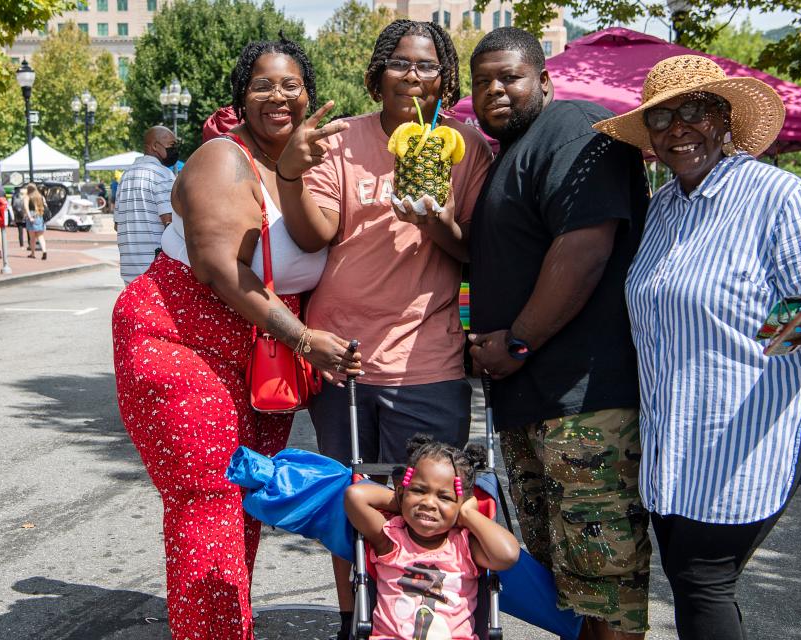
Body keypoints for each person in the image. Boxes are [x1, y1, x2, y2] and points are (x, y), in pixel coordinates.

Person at [112, 38, 361, 640]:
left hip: (256, 363)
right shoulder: (221, 160)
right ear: (240, 99)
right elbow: (221, 270)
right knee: (208, 501)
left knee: (244, 502)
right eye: (262, 85)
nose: (278, 96)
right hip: (175, 341)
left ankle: (224, 625)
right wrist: (305, 339)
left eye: (291, 84)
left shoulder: (303, 168)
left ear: (309, 94)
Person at [593, 55, 801, 640]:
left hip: (748, 424)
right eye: (661, 119)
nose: (678, 128)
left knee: (704, 578)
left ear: (724, 119)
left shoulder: (778, 196)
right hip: (673, 432)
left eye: (694, 112)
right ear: (649, 139)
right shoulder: (661, 210)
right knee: (690, 579)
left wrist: (748, 349)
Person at [271, 20, 492, 637]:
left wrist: (436, 223)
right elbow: (314, 234)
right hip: (342, 354)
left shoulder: (465, 147)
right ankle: (354, 619)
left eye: (426, 65)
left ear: (444, 77)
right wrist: (291, 173)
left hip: (430, 359)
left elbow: (475, 250)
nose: (413, 75)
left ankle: (425, 621)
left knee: (428, 506)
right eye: (400, 63)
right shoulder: (341, 141)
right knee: (353, 502)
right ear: (377, 74)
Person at [465, 28, 652, 640]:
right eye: (482, 80)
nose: (495, 89)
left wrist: (517, 341)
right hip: (531, 402)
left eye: (509, 77)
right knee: (564, 578)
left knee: (606, 583)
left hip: (585, 402)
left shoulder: (576, 129)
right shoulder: (508, 158)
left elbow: (585, 250)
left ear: (544, 80)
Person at [344, 435, 520, 640]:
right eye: (419, 490)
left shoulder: (464, 546)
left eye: (444, 497)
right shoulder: (391, 539)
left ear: (462, 504)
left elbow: (508, 554)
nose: (428, 503)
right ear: (402, 491)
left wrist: (468, 515)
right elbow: (355, 496)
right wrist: (402, 501)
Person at [113, 125, 178, 284]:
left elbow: (117, 224)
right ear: (155, 146)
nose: (175, 150)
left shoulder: (126, 176)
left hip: (129, 270)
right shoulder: (162, 174)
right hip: (155, 270)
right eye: (171, 145)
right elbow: (169, 221)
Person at [22, 183, 47, 260]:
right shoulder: (40, 196)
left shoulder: (27, 197)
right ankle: (44, 251)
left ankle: (33, 253)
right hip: (39, 215)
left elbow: (26, 208)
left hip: (32, 216)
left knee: (32, 237)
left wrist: (30, 217)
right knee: (40, 236)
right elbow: (45, 205)